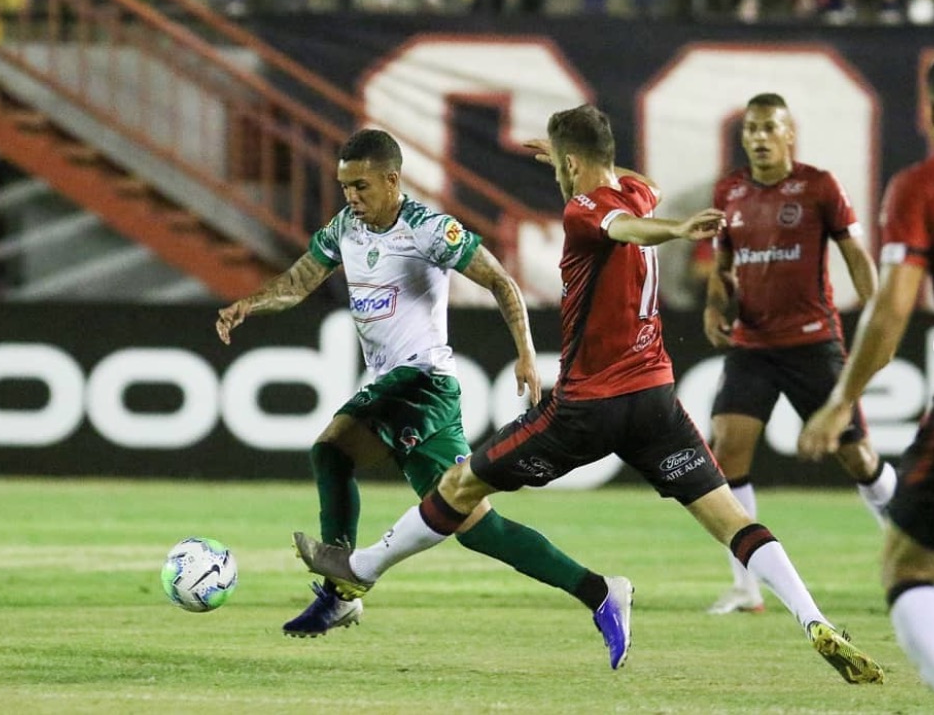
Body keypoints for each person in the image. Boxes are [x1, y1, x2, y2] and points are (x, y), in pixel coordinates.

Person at [291, 105, 885, 683]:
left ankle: (359, 569)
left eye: (561, 166)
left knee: (460, 485)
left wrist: (676, 229)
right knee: (730, 519)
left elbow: (620, 228)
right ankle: (815, 618)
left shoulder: (585, 210)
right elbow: (640, 192)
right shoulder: (636, 191)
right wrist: (587, 165)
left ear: (573, 166)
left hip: (587, 407)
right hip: (656, 401)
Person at [217, 128, 623, 639]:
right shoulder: (345, 228)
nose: (351, 198)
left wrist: (525, 354)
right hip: (403, 389)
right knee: (480, 529)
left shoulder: (429, 229)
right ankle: (601, 591)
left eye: (361, 186)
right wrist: (247, 305)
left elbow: (501, 281)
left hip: (422, 381)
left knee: (332, 448)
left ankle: (342, 588)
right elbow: (298, 284)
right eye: (345, 187)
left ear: (392, 179)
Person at [703, 92, 896, 616]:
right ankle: (746, 588)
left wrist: (877, 319)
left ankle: (911, 551)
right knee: (728, 450)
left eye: (769, 128)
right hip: (753, 345)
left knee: (858, 458)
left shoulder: (818, 186)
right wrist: (713, 306)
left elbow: (856, 256)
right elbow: (724, 268)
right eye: (751, 129)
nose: (759, 138)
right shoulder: (730, 192)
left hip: (813, 341)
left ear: (790, 134)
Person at [798, 62, 934, 690]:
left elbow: (893, 306)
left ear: (925, 109)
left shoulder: (919, 188)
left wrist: (841, 398)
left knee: (908, 565)